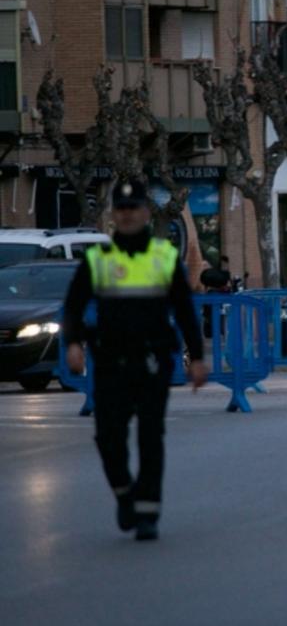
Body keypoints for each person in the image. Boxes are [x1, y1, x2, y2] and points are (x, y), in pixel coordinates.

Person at [62, 180, 208, 541]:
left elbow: (185, 312)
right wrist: (73, 344)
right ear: (114, 214)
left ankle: (147, 513)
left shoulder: (163, 257)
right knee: (107, 437)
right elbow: (74, 306)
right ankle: (124, 492)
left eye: (134, 209)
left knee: (149, 436)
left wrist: (196, 357)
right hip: (110, 362)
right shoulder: (98, 259)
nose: (127, 215)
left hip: (152, 360)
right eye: (121, 209)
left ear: (145, 212)